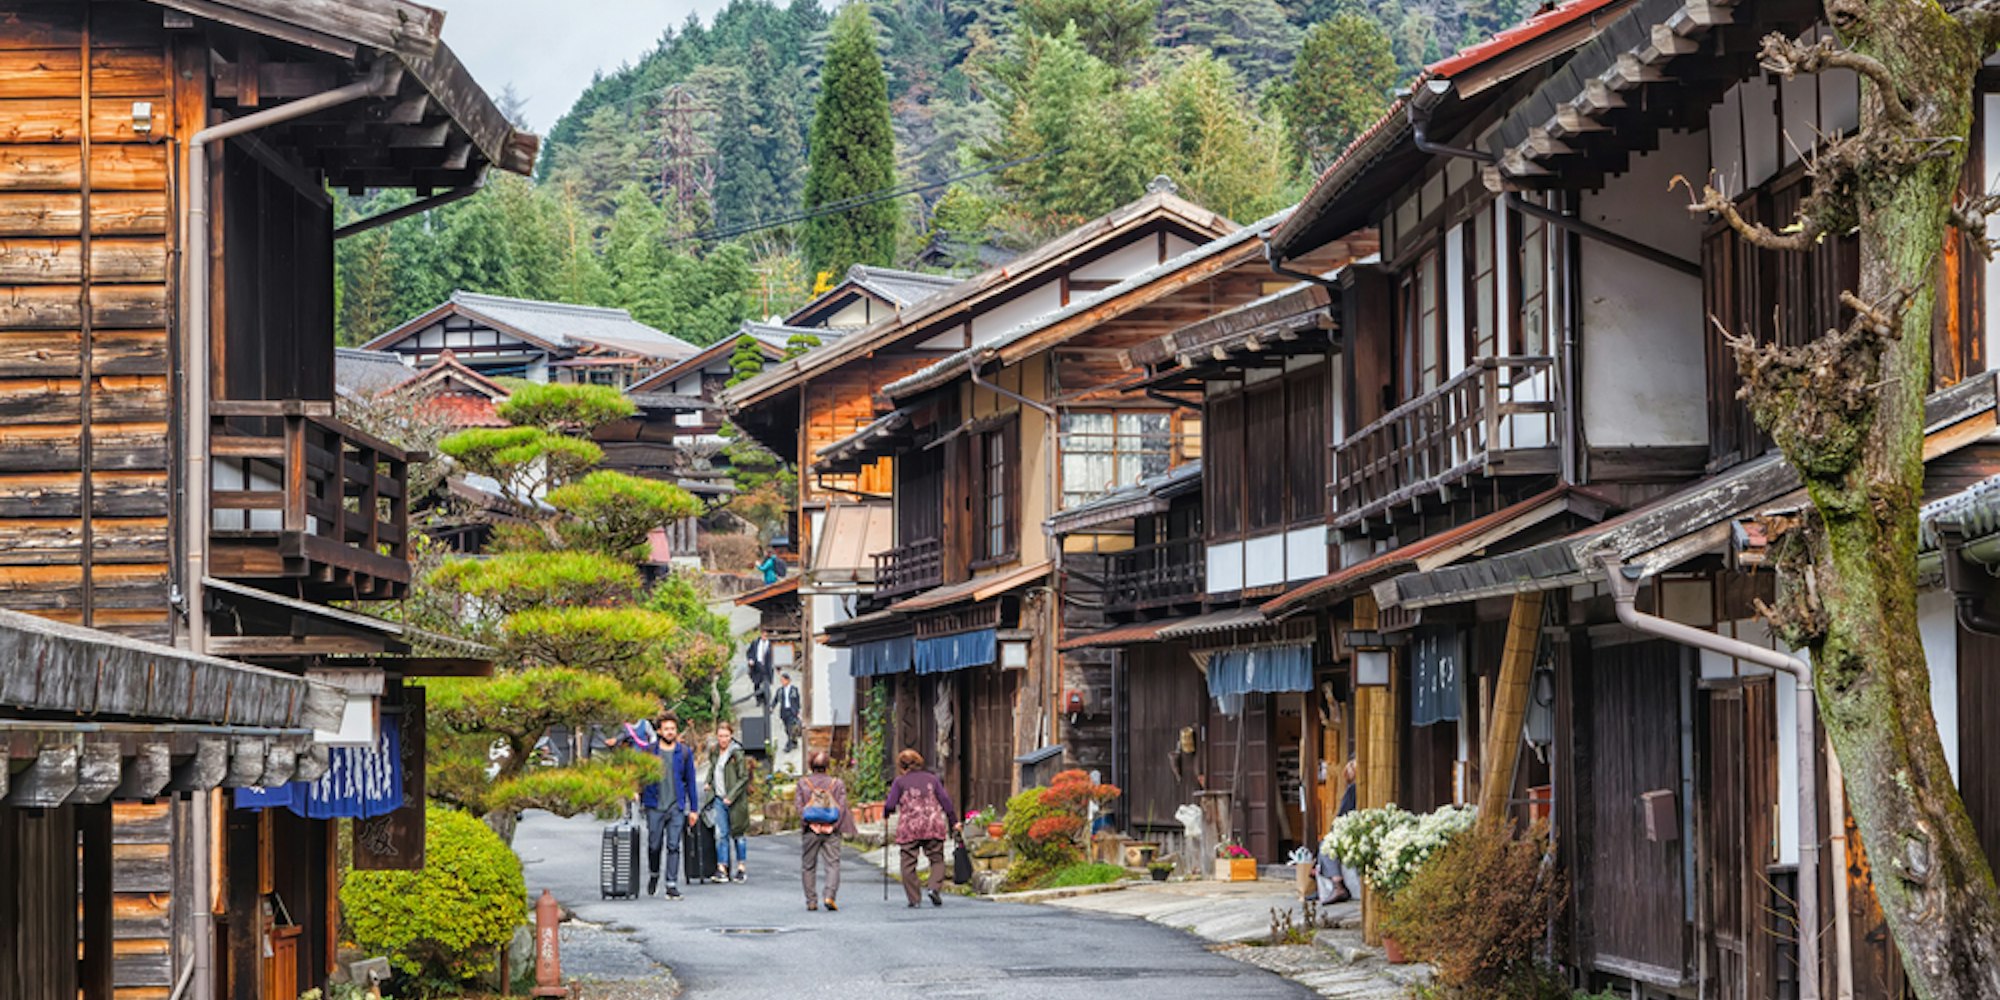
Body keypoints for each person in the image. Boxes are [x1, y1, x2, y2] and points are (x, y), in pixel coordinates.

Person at [635, 711, 699, 900]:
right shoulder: (649, 751)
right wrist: (635, 790)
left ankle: (671, 884)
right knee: (654, 845)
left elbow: (691, 781)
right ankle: (654, 873)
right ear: (659, 731)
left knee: (674, 845)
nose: (670, 732)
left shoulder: (685, 752)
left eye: (673, 729)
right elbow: (640, 775)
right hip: (654, 805)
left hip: (676, 806)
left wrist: (693, 809)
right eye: (666, 729)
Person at [884, 748, 959, 909]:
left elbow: (890, 804)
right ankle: (933, 887)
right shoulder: (932, 779)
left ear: (902, 766)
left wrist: (886, 813)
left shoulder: (900, 782)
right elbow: (945, 801)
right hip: (932, 824)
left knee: (908, 863)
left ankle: (914, 898)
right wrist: (954, 821)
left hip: (910, 827)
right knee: (937, 859)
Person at [796, 751, 852, 911]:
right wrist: (832, 826)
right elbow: (842, 809)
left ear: (810, 765)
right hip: (831, 830)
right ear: (828, 765)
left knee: (808, 866)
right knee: (832, 864)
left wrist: (809, 823)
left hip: (810, 830)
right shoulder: (837, 783)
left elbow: (799, 807)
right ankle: (829, 896)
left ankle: (811, 901)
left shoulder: (803, 783)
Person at [705, 721, 752, 883]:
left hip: (735, 799)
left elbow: (744, 777)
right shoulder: (715, 751)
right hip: (719, 797)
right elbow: (713, 768)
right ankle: (722, 868)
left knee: (738, 834)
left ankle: (741, 867)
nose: (723, 739)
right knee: (721, 834)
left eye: (726, 736)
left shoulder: (736, 753)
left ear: (731, 736)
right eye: (720, 736)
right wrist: (708, 782)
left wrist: (731, 795)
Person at [1317, 758, 1358, 905]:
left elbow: (1342, 818)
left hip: (1354, 832)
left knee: (1326, 845)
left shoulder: (1353, 790)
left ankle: (1337, 884)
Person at [746, 631, 774, 710]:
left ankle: (766, 700)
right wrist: (750, 659)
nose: (765, 637)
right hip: (757, 665)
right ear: (761, 635)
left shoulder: (770, 644)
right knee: (757, 683)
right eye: (764, 635)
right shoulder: (755, 643)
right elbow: (749, 652)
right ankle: (758, 700)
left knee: (766, 684)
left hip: (766, 666)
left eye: (766, 636)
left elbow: (773, 657)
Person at [775, 672, 802, 752]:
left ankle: (788, 745)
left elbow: (797, 700)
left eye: (783, 680)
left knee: (791, 728)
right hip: (784, 711)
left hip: (791, 711)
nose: (782, 682)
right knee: (786, 728)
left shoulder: (794, 689)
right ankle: (794, 741)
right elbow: (775, 699)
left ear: (788, 680)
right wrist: (772, 707)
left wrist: (797, 711)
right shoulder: (780, 690)